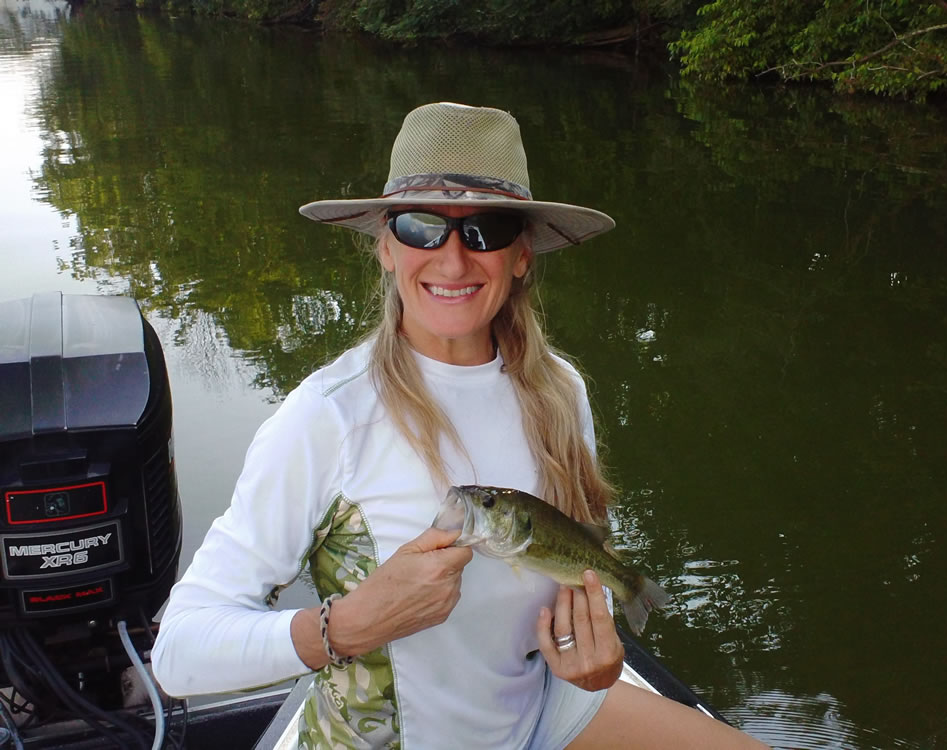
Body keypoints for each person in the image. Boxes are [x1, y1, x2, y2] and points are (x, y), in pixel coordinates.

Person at [151, 102, 767, 749]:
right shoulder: (326, 417)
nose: (451, 261)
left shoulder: (560, 392)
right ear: (387, 247)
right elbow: (179, 652)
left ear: (521, 254)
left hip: (538, 712)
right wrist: (351, 625)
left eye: (486, 230)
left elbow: (583, 563)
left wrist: (593, 646)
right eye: (422, 227)